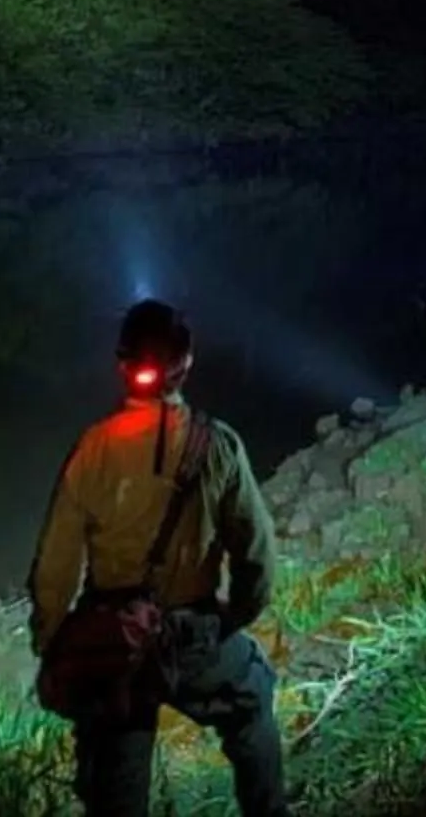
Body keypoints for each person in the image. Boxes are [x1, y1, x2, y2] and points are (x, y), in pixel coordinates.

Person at [28, 299, 288, 817]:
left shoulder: (93, 450)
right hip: (194, 636)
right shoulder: (219, 445)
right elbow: (257, 555)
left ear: (123, 365)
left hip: (116, 640)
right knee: (253, 698)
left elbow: (55, 567)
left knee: (118, 763)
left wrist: (53, 643)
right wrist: (232, 618)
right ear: (186, 363)